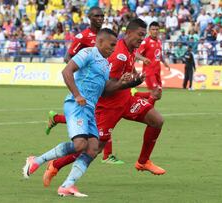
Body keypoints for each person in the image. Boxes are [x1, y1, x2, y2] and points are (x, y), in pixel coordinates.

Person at [41, 19, 166, 189]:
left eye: (144, 35)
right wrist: (129, 84)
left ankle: (143, 161)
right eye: (140, 35)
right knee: (93, 148)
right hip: (108, 108)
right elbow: (106, 89)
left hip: (126, 100)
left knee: (157, 120)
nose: (142, 39)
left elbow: (126, 79)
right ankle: (56, 165)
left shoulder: (131, 50)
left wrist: (138, 84)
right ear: (128, 33)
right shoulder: (118, 53)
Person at [22, 28, 144, 197]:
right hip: (76, 104)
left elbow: (106, 91)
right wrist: (77, 95)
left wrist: (125, 84)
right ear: (100, 42)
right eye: (111, 45)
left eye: (115, 45)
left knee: (93, 149)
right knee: (80, 144)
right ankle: (36, 160)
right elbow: (66, 71)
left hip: (90, 109)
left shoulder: (104, 64)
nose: (113, 49)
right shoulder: (87, 52)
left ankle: (67, 185)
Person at [45, 7, 125, 166]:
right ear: (89, 17)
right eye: (96, 16)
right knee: (101, 120)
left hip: (100, 83)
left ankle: (56, 119)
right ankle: (106, 154)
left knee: (100, 118)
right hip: (85, 86)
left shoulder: (107, 36)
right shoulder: (82, 37)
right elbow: (69, 57)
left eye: (102, 15)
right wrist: (81, 73)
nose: (100, 18)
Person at [135, 21, 171, 105]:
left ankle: (136, 95)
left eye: (157, 29)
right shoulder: (146, 41)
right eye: (153, 29)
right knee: (155, 92)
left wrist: (165, 63)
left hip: (157, 71)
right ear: (149, 31)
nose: (155, 31)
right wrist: (143, 59)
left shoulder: (159, 41)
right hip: (149, 71)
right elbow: (136, 53)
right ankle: (148, 112)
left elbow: (158, 54)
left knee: (158, 95)